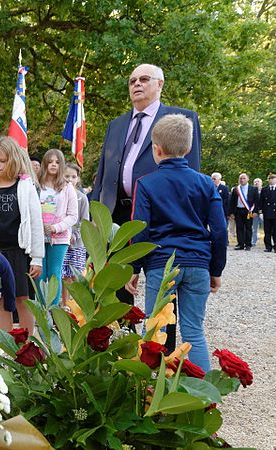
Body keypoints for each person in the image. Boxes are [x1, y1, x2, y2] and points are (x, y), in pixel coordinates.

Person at [92, 63, 201, 309]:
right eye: (132, 81)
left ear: (159, 84)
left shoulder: (180, 120)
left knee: (163, 291)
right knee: (114, 290)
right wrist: (95, 213)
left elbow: (190, 173)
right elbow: (102, 174)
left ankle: (161, 347)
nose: (137, 84)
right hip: (117, 216)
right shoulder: (116, 125)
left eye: (143, 79)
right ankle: (119, 342)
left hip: (162, 217)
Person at [126, 114, 227, 371]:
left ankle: (154, 396)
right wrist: (215, 269)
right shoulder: (206, 183)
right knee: (194, 332)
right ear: (189, 147)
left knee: (157, 332)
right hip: (198, 264)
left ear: (156, 149)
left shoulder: (146, 184)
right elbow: (219, 230)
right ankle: (202, 399)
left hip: (162, 265)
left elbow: (140, 231)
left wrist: (134, 268)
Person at [0, 136, 44, 332]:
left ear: (13, 160)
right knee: (1, 297)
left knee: (22, 298)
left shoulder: (24, 186)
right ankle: (6, 343)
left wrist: (37, 257)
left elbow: (35, 222)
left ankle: (27, 342)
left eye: (2, 161)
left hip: (18, 252)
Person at [38, 149, 78, 305]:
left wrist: (56, 227)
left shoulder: (67, 187)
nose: (53, 165)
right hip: (39, 236)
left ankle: (53, 311)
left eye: (57, 162)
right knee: (40, 274)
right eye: (50, 162)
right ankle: (42, 309)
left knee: (54, 273)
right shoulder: (36, 185)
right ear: (45, 164)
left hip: (59, 237)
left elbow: (73, 215)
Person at [61, 162, 89, 304]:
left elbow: (84, 221)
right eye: (67, 176)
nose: (70, 179)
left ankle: (77, 304)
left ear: (78, 178)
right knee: (64, 275)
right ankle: (65, 304)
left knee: (76, 275)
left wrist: (75, 235)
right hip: (61, 241)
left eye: (73, 176)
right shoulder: (59, 196)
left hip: (77, 244)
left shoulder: (82, 198)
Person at [229, 173, 259, 251]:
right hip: (238, 210)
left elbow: (257, 201)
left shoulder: (253, 189)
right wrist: (231, 213)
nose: (242, 180)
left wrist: (255, 211)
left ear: (248, 179)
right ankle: (240, 244)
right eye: (240, 178)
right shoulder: (236, 189)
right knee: (239, 228)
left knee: (248, 227)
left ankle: (248, 244)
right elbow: (232, 202)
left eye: (244, 178)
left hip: (249, 211)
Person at [259, 171, 276, 252]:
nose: (271, 180)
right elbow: (261, 202)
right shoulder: (264, 189)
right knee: (267, 231)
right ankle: (268, 246)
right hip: (267, 213)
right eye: (269, 178)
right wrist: (261, 212)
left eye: (272, 178)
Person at [251, 178, 263, 247]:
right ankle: (253, 242)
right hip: (254, 213)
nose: (256, 183)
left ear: (261, 183)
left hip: (263, 213)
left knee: (268, 229)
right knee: (254, 228)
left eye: (258, 181)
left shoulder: (264, 190)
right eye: (255, 182)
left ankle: (271, 242)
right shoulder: (251, 191)